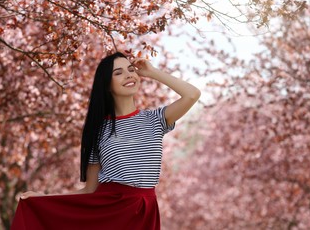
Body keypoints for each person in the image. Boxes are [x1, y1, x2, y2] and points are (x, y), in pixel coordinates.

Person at [11, 52, 201, 230]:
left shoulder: (155, 119)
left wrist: (152, 72)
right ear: (107, 84)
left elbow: (192, 94)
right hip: (109, 211)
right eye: (118, 73)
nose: (128, 75)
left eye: (131, 70)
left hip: (145, 210)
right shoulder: (98, 131)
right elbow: (90, 189)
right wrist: (44, 198)